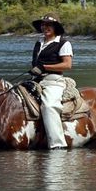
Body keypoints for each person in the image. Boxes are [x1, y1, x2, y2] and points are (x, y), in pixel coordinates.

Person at [30, 13, 73, 149]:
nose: (45, 27)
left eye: (49, 25)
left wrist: (44, 67)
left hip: (53, 81)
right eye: (43, 25)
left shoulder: (63, 43)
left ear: (55, 27)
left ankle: (57, 144)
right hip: (36, 80)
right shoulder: (39, 43)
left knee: (49, 106)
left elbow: (67, 65)